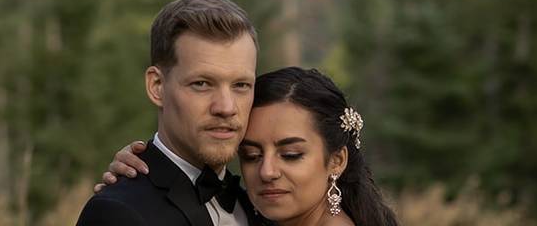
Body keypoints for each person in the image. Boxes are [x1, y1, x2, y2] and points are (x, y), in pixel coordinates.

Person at [100, 67, 400, 226]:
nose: (267, 171)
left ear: (337, 160)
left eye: (291, 155)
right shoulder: (261, 216)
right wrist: (148, 177)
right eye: (251, 155)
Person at [76, 0, 260, 226]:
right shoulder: (116, 213)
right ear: (157, 86)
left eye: (241, 85)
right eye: (201, 84)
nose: (226, 107)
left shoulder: (262, 208)